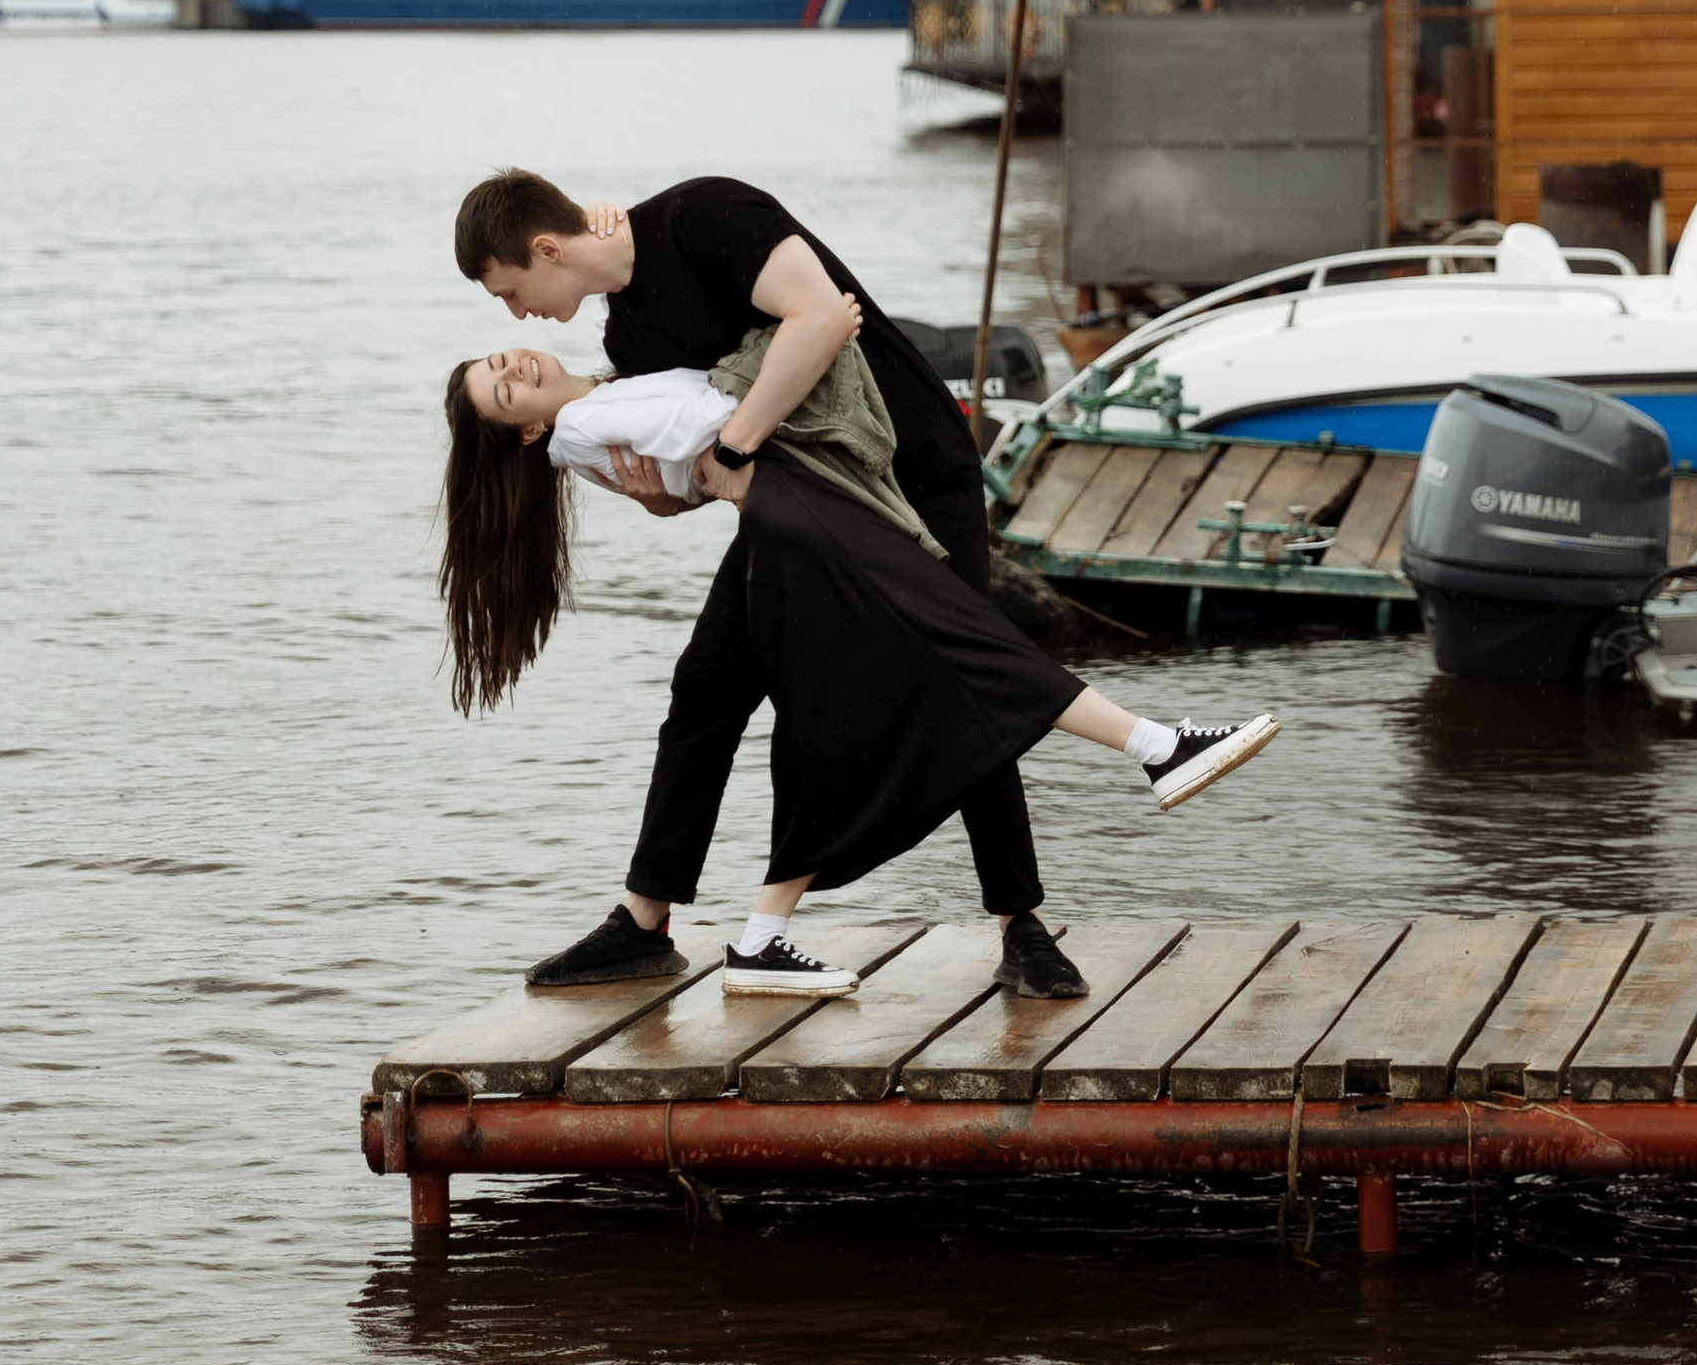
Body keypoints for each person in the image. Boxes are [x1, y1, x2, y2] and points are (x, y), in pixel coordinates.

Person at [452, 164, 1273, 996]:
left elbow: (818, 319)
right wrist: (660, 497)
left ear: (549, 248)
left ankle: (1020, 924)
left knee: (959, 670)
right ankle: (645, 922)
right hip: (811, 503)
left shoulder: (704, 216)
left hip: (914, 468)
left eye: (510, 293)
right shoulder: (629, 342)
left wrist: (732, 451)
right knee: (705, 689)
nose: (517, 317)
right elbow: (706, 460)